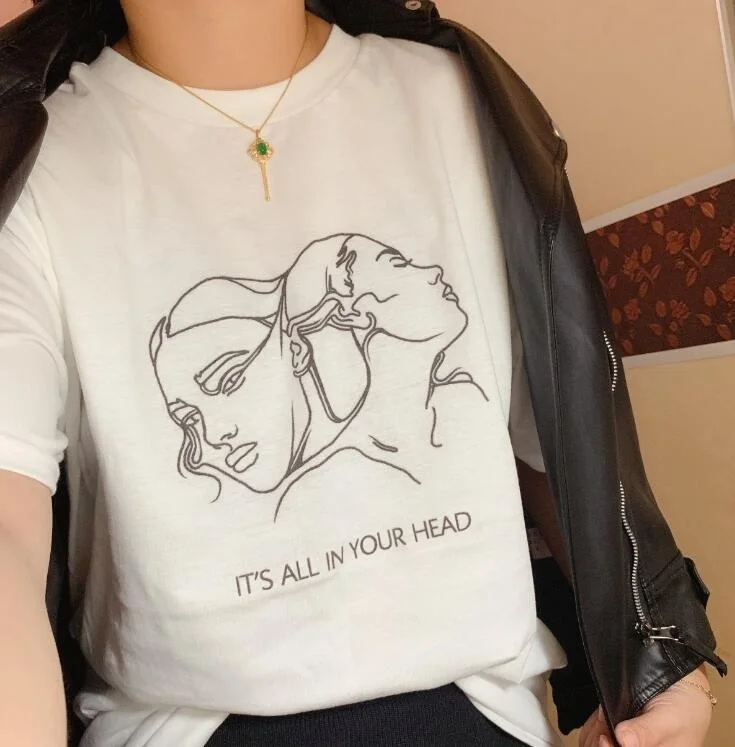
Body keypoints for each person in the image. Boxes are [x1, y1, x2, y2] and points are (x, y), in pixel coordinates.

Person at [0, 2, 725, 747]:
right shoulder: (29, 152)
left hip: (477, 712)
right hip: (189, 727)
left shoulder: (462, 100)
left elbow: (556, 442)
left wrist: (663, 662)